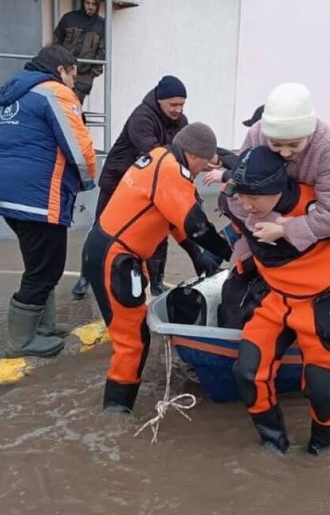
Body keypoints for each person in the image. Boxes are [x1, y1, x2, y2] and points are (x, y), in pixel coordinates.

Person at [219, 147, 330, 455]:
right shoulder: (240, 205)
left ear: (274, 190)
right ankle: (273, 441)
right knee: (247, 372)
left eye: (250, 197)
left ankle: (320, 448)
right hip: (277, 301)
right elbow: (243, 232)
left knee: (322, 388)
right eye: (238, 195)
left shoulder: (326, 205)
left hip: (323, 300)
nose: (242, 204)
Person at [82, 122, 232, 413]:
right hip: (115, 258)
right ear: (196, 154)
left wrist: (195, 255)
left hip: (114, 252)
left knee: (136, 335)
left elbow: (172, 217)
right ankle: (116, 413)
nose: (205, 170)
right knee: (133, 340)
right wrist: (230, 252)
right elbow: (196, 225)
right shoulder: (170, 170)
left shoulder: (162, 158)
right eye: (207, 162)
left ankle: (118, 407)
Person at [204, 82, 330, 317]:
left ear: (308, 134)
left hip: (318, 202)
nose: (285, 153)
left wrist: (286, 228)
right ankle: (239, 297)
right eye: (276, 145)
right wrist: (267, 222)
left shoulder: (325, 145)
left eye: (294, 145)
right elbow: (237, 192)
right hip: (272, 206)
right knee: (246, 245)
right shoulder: (256, 134)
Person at [0, 45, 97, 358]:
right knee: (46, 269)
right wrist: (88, 180)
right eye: (72, 76)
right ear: (61, 69)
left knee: (38, 265)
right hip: (39, 195)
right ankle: (22, 341)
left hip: (11, 192)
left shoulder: (16, 94)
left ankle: (43, 327)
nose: (73, 85)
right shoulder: (53, 92)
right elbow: (78, 147)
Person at [72, 75, 189, 299]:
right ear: (159, 100)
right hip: (119, 180)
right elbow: (155, 153)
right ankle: (86, 276)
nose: (178, 110)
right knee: (101, 231)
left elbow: (185, 152)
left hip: (152, 186)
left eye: (182, 104)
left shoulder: (181, 122)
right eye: (173, 104)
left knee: (158, 233)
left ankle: (156, 283)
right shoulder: (142, 117)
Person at [53, 0, 106, 104]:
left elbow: (102, 53)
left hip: (83, 78)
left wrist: (91, 75)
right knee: (59, 106)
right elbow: (56, 43)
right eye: (87, 3)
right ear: (82, 3)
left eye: (94, 4)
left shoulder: (102, 26)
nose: (90, 7)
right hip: (63, 73)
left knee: (73, 107)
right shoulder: (68, 19)